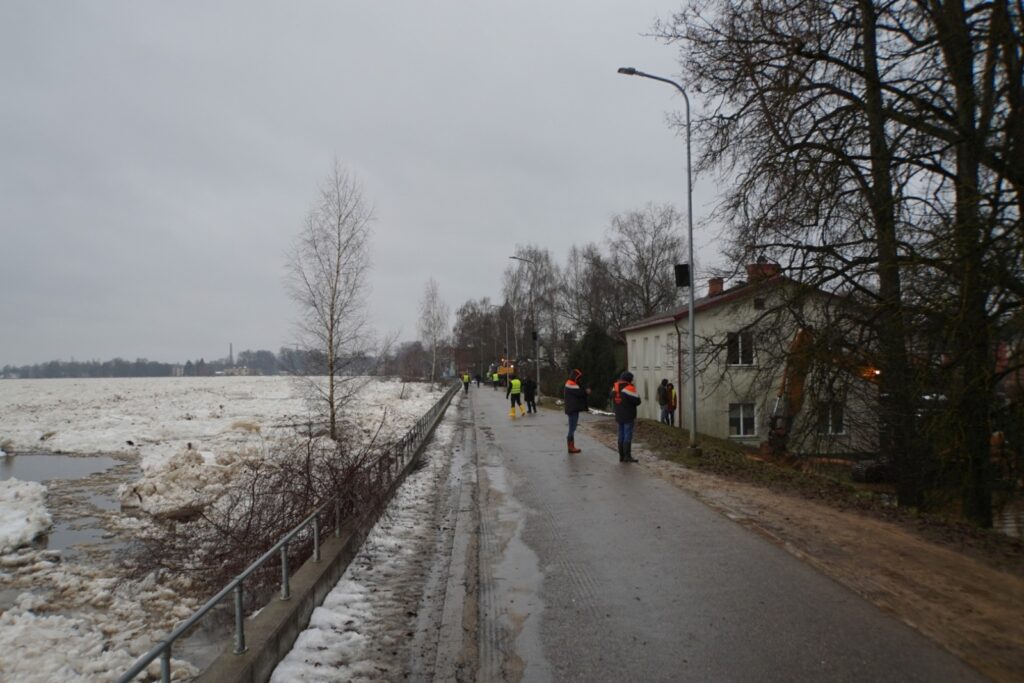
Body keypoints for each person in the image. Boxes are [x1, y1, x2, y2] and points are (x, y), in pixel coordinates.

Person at [611, 371, 642, 463]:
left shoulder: (615, 387)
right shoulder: (629, 388)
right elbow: (637, 401)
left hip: (619, 414)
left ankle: (621, 456)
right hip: (628, 415)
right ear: (629, 379)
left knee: (621, 435)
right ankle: (627, 456)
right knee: (627, 435)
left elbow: (612, 397)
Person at [563, 368, 589, 453]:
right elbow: (580, 393)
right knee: (572, 428)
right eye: (578, 377)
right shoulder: (571, 384)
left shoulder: (570, 383)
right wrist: (586, 391)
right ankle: (571, 447)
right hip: (572, 409)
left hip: (572, 409)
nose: (579, 379)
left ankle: (571, 446)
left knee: (572, 428)